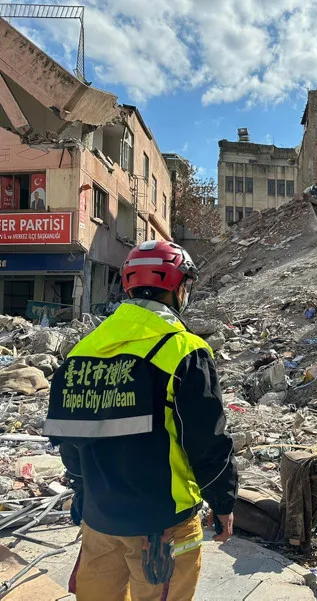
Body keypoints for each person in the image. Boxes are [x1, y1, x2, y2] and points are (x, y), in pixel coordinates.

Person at [44, 240, 238, 600]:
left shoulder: (85, 350)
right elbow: (207, 440)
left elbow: (71, 438)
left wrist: (85, 493)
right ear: (178, 289)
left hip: (99, 521)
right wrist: (223, 501)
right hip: (162, 526)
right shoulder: (183, 350)